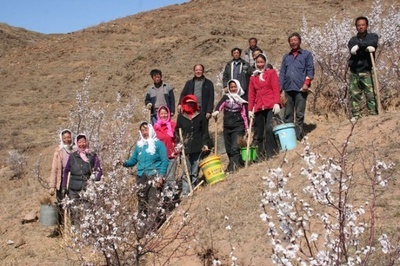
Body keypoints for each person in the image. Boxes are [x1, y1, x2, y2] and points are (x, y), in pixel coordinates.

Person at [122, 122, 168, 235]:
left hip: (154, 176)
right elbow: (133, 160)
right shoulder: (139, 146)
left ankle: (151, 229)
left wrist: (161, 176)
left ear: (151, 130)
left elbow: (164, 160)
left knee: (153, 202)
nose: (144, 132)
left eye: (146, 129)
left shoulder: (158, 144)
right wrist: (123, 163)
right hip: (141, 177)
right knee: (142, 203)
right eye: (142, 130)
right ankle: (141, 231)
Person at [279, 32, 314, 141]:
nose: (293, 42)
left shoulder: (306, 55)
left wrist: (306, 83)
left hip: (301, 89)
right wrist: (280, 87)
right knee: (288, 114)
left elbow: (310, 69)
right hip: (288, 88)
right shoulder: (286, 57)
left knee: (299, 113)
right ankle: (289, 137)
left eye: (295, 40)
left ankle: (298, 136)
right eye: (291, 41)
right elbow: (282, 72)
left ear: (299, 41)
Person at [62, 133, 102, 223]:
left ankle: (87, 232)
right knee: (74, 211)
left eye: (84, 142)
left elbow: (99, 169)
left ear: (87, 142)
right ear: (76, 143)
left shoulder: (92, 155)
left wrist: (95, 179)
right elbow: (66, 171)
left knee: (87, 211)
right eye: (79, 142)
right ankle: (75, 232)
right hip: (73, 188)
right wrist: (64, 186)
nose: (82, 144)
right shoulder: (73, 156)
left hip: (87, 187)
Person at [248, 53, 282, 160]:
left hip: (270, 105)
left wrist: (277, 102)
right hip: (258, 106)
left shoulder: (271, 73)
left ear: (265, 62)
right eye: (258, 62)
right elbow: (251, 94)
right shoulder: (253, 77)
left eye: (262, 62)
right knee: (259, 131)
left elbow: (276, 88)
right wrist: (250, 109)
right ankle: (261, 155)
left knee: (269, 128)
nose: (260, 64)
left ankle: (271, 153)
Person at [175, 94, 210, 196]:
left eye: (192, 103)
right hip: (185, 147)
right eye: (188, 103)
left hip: (197, 146)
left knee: (195, 170)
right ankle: (186, 191)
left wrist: (205, 143)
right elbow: (177, 131)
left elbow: (204, 131)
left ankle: (194, 187)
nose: (190, 105)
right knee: (186, 170)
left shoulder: (200, 115)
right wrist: (179, 143)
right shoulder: (181, 117)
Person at [212, 79, 248, 173]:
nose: (233, 89)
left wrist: (247, 127)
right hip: (227, 127)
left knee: (235, 148)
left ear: (238, 87)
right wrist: (216, 111)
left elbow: (244, 114)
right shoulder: (226, 97)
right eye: (231, 87)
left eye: (235, 87)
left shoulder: (242, 100)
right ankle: (236, 163)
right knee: (228, 149)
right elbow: (220, 105)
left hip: (238, 126)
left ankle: (234, 168)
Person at [348, 16, 379, 120]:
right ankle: (356, 115)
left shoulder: (373, 36)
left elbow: (373, 43)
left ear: (367, 26)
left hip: (366, 71)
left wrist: (360, 46)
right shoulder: (353, 40)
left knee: (370, 94)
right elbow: (352, 49)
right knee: (355, 95)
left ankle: (373, 114)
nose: (360, 27)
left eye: (363, 25)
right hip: (354, 71)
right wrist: (364, 47)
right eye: (358, 25)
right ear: (356, 27)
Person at [48, 129, 74, 237]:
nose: (67, 139)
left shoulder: (75, 150)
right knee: (60, 207)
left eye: (68, 137)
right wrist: (52, 186)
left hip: (72, 182)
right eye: (65, 138)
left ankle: (72, 229)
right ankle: (60, 230)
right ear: (61, 139)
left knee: (72, 206)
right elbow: (54, 169)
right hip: (61, 182)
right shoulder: (58, 152)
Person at [153, 106, 179, 210]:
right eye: (161, 114)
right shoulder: (155, 128)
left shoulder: (173, 125)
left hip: (172, 155)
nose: (163, 115)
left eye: (165, 113)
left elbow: (178, 138)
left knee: (170, 178)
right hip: (160, 159)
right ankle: (164, 201)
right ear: (158, 115)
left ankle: (172, 200)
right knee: (161, 179)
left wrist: (178, 149)